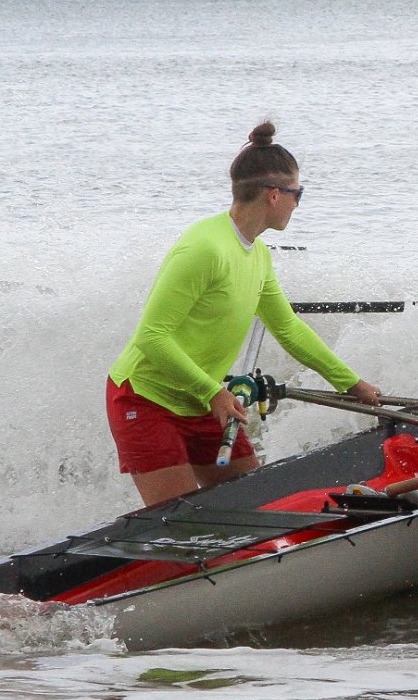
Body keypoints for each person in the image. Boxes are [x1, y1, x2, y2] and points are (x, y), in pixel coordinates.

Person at [106, 122, 380, 507]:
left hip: (202, 400)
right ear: (273, 195)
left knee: (251, 507)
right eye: (297, 194)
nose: (297, 203)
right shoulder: (205, 248)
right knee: (183, 525)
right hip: (147, 399)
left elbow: (287, 328)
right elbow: (152, 337)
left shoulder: (258, 254)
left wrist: (351, 384)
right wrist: (212, 392)